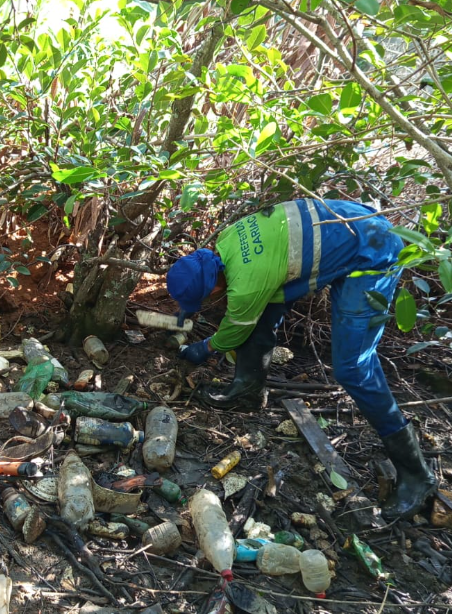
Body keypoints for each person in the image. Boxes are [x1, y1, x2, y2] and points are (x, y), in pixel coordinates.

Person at [166, 198, 437, 519]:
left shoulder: (248, 283)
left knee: (353, 367)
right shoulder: (226, 239)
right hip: (352, 223)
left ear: (212, 290)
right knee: (261, 310)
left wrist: (204, 348)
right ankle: (248, 390)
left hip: (373, 250)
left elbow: (233, 334)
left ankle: (416, 474)